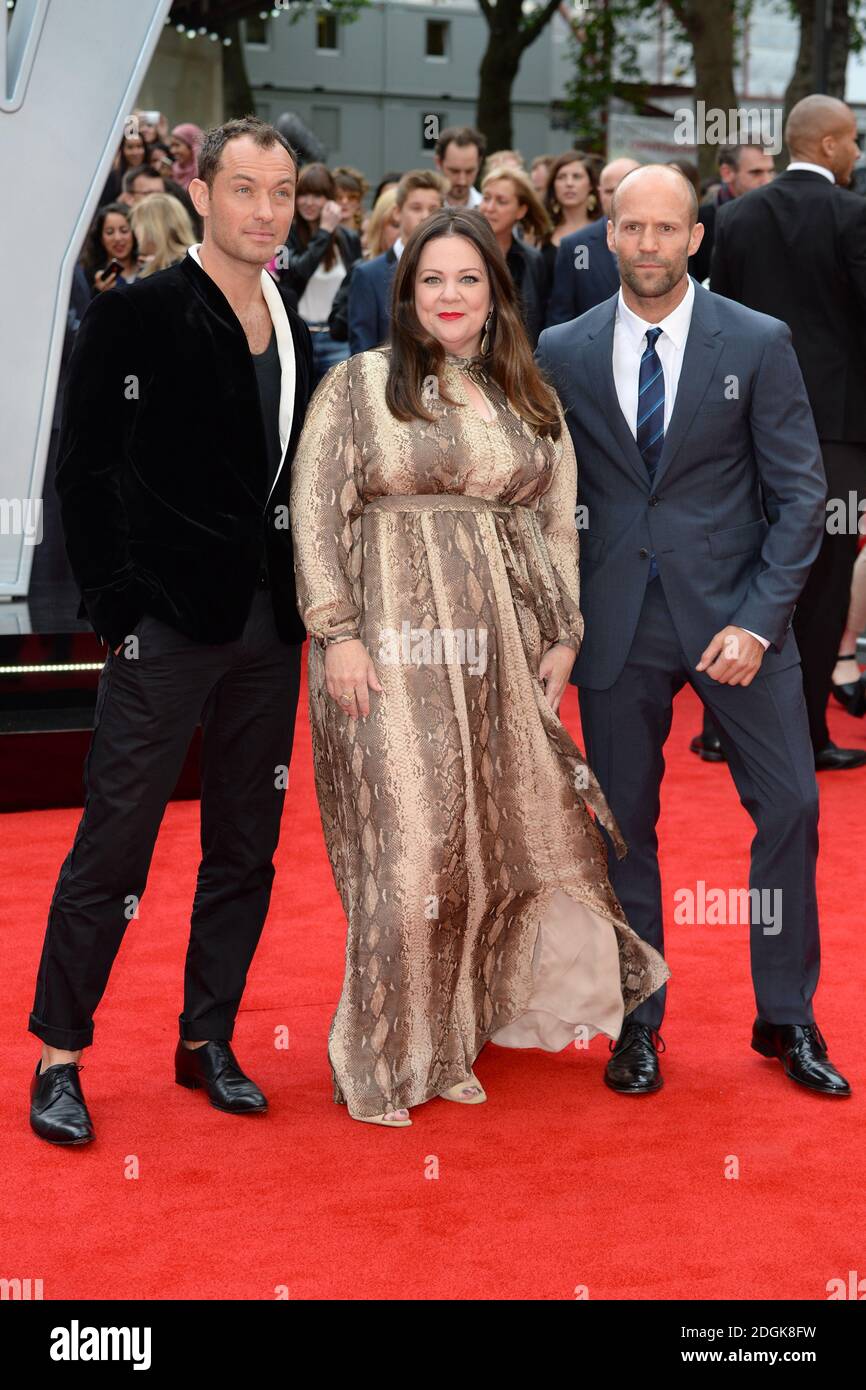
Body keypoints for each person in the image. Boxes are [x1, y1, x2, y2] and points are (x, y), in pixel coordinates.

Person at [289, 207, 670, 1127]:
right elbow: (315, 510)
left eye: (468, 280)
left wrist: (563, 635)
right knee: (412, 847)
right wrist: (336, 632)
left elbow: (552, 526)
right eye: (432, 281)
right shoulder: (360, 385)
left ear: (496, 296)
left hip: (495, 650)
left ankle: (454, 1031)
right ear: (406, 295)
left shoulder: (527, 400)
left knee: (471, 848)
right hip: (382, 652)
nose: (450, 297)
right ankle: (386, 1054)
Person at [28, 117, 314, 1146]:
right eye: (244, 189)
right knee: (115, 843)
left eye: (279, 193)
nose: (262, 210)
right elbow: (84, 470)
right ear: (203, 192)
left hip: (269, 634)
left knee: (247, 845)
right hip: (165, 627)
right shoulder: (137, 314)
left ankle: (207, 1038)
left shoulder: (290, 316)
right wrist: (117, 607)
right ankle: (61, 1054)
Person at [536, 164, 851, 1098]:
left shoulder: (756, 341)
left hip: (737, 621)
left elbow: (802, 495)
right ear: (610, 231)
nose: (647, 246)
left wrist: (760, 622)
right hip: (617, 623)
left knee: (791, 804)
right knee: (625, 829)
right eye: (631, 228)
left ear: (695, 238)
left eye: (665, 230)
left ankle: (785, 1016)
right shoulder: (566, 346)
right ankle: (639, 1023)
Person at [711, 95, 866, 770]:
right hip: (836, 435)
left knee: (744, 571)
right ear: (828, 145)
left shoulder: (736, 216)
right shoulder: (855, 217)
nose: (858, 154)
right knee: (825, 581)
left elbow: (720, 323)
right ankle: (805, 736)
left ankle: (726, 731)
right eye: (853, 141)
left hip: (745, 429)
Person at [276, 162, 361, 386]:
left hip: (336, 340)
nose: (309, 202)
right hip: (298, 338)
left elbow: (355, 286)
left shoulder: (348, 239)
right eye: (303, 195)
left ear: (329, 199)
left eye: (317, 195)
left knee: (336, 410)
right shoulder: (284, 238)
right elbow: (297, 272)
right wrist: (324, 232)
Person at [346, 170, 446, 353]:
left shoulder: (452, 272)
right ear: (398, 212)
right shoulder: (368, 276)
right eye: (416, 208)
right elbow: (362, 353)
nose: (425, 216)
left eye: (433, 209)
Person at [545, 158, 639, 327]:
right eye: (610, 191)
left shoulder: (669, 239)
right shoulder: (578, 246)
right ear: (600, 193)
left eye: (627, 189)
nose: (618, 198)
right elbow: (561, 313)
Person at [479, 165, 551, 347]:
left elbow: (538, 319)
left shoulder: (532, 260)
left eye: (501, 201)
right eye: (486, 198)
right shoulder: (460, 253)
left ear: (521, 210)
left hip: (518, 361)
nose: (489, 208)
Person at [80, 202, 142, 295]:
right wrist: (98, 292)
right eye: (109, 232)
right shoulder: (87, 274)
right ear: (100, 237)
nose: (117, 238)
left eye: (124, 231)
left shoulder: (147, 267)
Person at [129, 192, 196, 276]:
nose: (135, 231)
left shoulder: (180, 271)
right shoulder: (195, 261)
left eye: (137, 225)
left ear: (152, 229)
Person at [433, 125, 486, 209]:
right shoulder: (423, 211)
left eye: (469, 171)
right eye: (454, 171)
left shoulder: (488, 211)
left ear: (479, 163)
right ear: (439, 162)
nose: (462, 181)